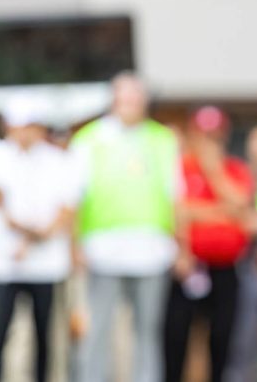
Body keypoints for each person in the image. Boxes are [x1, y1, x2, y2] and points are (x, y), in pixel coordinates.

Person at [71, 73, 180, 382]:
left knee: (147, 332)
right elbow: (74, 198)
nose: (130, 104)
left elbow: (175, 197)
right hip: (103, 250)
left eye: (136, 98)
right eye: (125, 98)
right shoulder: (90, 138)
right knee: (98, 331)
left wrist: (180, 245)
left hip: (152, 251)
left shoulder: (162, 139)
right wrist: (75, 245)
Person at [163, 106, 257, 382]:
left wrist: (213, 171)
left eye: (215, 136)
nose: (209, 141)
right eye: (204, 135)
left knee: (221, 337)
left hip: (225, 267)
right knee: (176, 337)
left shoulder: (234, 169)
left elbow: (241, 205)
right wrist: (222, 212)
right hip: (188, 266)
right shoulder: (178, 168)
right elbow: (175, 211)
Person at [0, 95, 80, 382]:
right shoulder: (2, 156)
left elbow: (67, 209)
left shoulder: (58, 161)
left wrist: (35, 234)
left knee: (45, 333)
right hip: (6, 265)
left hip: (46, 265)